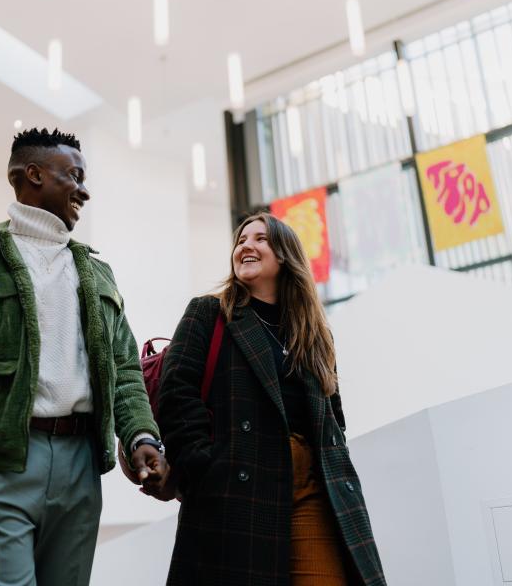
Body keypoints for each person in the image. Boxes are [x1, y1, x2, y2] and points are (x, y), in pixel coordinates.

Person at [0, 127, 167, 586]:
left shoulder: (98, 272)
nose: (84, 190)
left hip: (81, 467)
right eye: (74, 175)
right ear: (33, 174)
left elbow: (125, 370)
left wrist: (143, 436)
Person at [157, 212, 386, 586]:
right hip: (238, 485)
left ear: (284, 256)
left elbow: (333, 417)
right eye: (241, 240)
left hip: (312, 490)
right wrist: (204, 467)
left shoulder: (312, 333)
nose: (246, 246)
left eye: (260, 239)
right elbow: (177, 393)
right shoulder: (208, 312)